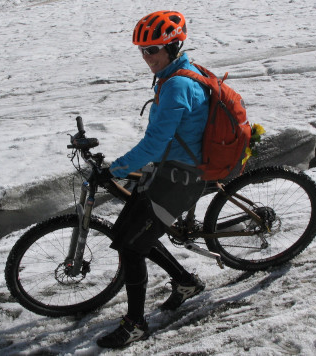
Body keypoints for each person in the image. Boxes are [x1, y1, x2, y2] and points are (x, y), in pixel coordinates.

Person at [95, 10, 210, 349]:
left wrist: (116, 169)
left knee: (132, 244)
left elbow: (155, 143)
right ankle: (186, 282)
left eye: (153, 50)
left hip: (182, 177)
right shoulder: (174, 74)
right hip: (167, 169)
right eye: (142, 51)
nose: (146, 58)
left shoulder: (176, 85)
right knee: (127, 232)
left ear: (174, 47)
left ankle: (135, 325)